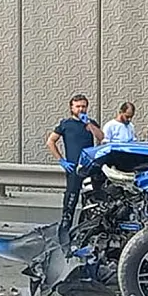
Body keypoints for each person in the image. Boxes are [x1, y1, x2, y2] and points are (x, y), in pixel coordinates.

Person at [46, 94, 103, 235]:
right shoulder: (65, 124)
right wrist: (61, 160)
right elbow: (50, 141)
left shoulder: (91, 123)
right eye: (78, 106)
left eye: (83, 106)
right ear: (72, 108)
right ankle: (65, 228)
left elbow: (101, 137)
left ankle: (85, 229)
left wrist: (88, 124)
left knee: (90, 199)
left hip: (89, 168)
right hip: (73, 168)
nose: (81, 109)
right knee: (71, 198)